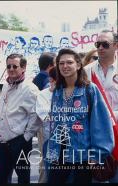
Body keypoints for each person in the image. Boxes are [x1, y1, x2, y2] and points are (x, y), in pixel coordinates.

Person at [46, 48, 114, 184]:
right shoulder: (57, 91)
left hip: (83, 155)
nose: (65, 66)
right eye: (61, 63)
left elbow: (101, 124)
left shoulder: (90, 89)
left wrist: (96, 155)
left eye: (69, 62)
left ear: (78, 65)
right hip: (58, 152)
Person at [0, 53, 40, 184]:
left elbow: (36, 115)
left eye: (15, 66)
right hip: (3, 141)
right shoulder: (5, 85)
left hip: (20, 141)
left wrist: (25, 137)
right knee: (0, 177)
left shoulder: (30, 88)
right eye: (8, 66)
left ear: (23, 67)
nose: (11, 69)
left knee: (23, 178)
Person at [85, 30, 118, 183]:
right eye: (98, 44)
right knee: (96, 178)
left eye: (105, 44)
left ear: (116, 46)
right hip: (95, 135)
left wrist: (111, 118)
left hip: (117, 131)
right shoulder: (86, 71)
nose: (100, 48)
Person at [34, 67, 56, 183]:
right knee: (46, 166)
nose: (52, 82)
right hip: (47, 136)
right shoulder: (43, 94)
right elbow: (45, 115)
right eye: (51, 79)